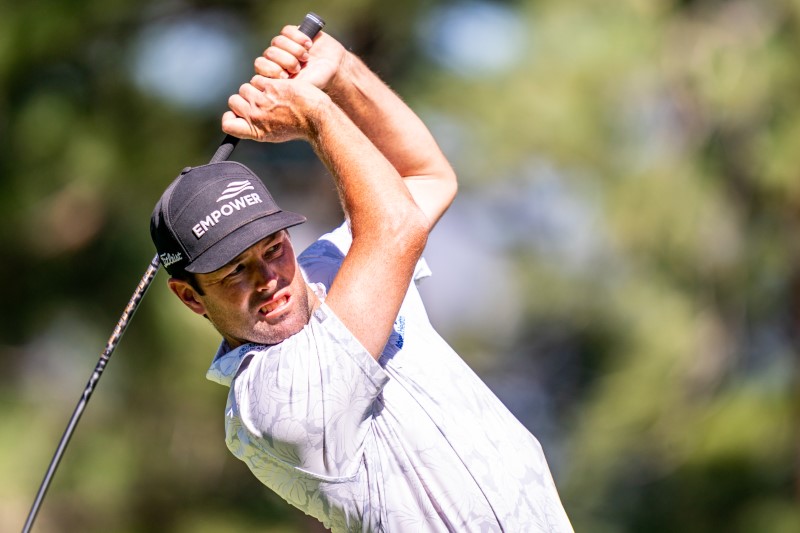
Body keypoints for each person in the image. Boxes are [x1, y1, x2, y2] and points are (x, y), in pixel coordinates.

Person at [150, 21, 573, 533]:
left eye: (274, 248)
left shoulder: (332, 272)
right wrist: (314, 114)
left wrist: (340, 72)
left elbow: (425, 177)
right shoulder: (268, 404)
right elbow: (397, 225)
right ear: (190, 297)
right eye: (234, 270)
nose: (269, 279)